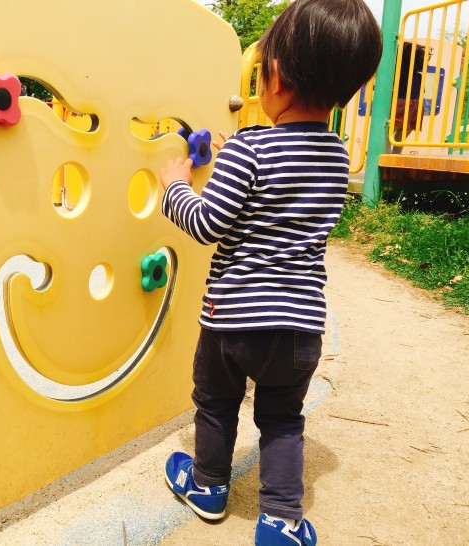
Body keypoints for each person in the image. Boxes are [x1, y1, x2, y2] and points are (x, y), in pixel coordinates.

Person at [159, 1, 382, 544]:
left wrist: (174, 187)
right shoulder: (336, 157)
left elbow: (209, 223)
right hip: (299, 326)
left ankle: (209, 487)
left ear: (274, 77)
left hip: (232, 319)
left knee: (215, 404)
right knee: (282, 419)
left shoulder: (249, 148)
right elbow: (283, 205)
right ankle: (281, 520)